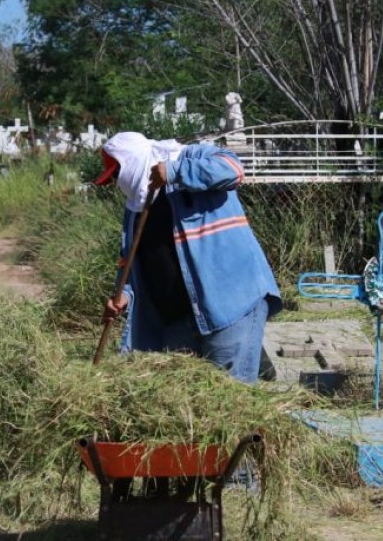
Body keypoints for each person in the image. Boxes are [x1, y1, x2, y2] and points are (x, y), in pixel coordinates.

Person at [96, 132, 282, 383]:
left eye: (117, 173)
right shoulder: (135, 209)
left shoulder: (190, 156)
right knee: (182, 404)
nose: (118, 182)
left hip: (228, 310)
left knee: (228, 400)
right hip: (177, 321)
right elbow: (132, 264)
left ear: (132, 160)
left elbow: (233, 169)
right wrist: (124, 297)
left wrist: (174, 172)